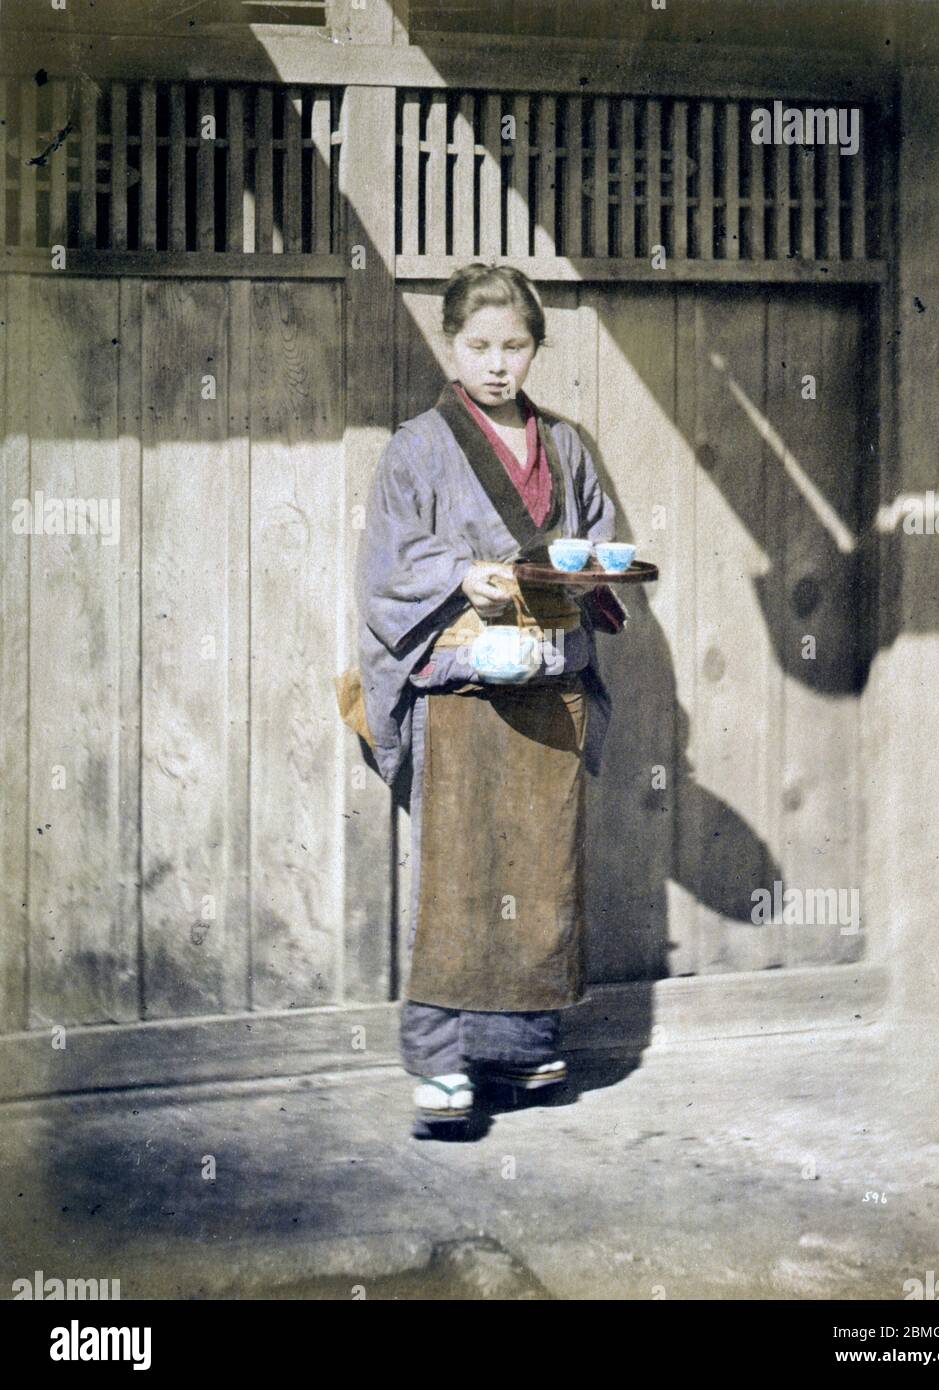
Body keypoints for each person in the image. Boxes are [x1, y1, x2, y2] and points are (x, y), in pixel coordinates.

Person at [352, 262, 628, 1138]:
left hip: (548, 681)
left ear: (536, 348)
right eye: (479, 346)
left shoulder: (569, 445)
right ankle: (439, 1065)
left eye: (515, 346)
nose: (498, 364)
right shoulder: (418, 447)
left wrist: (578, 571)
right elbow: (391, 568)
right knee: (460, 877)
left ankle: (520, 1050)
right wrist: (460, 575)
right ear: (451, 345)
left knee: (543, 871)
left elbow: (600, 546)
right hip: (462, 688)